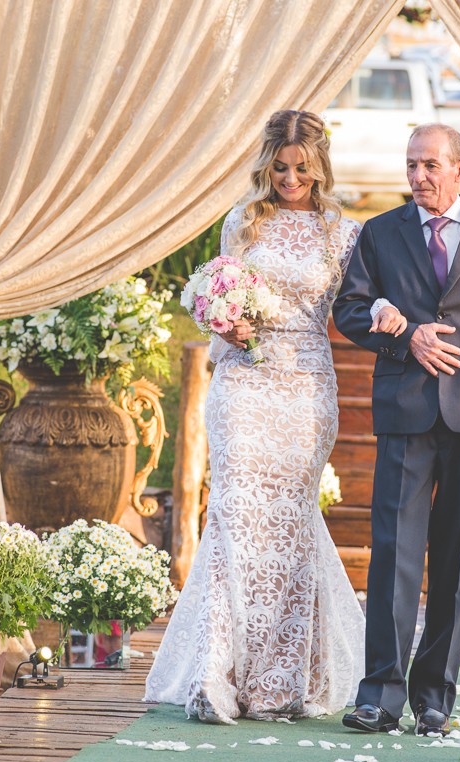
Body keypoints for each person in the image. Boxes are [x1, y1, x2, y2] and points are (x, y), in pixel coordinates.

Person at [144, 110, 365, 723]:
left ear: (319, 166)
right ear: (266, 162)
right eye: (280, 165)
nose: (290, 177)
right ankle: (216, 677)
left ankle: (278, 681)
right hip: (243, 385)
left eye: (302, 167)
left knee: (291, 523)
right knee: (235, 514)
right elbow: (214, 298)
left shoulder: (341, 234)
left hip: (306, 389)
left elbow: (352, 310)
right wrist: (226, 326)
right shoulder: (241, 221)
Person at [332, 123, 460, 735]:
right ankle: (380, 695)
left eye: (430, 166)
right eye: (412, 165)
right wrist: (401, 335)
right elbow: (349, 310)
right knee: (393, 552)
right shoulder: (380, 233)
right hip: (405, 410)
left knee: (454, 559)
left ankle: (435, 697)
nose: (419, 177)